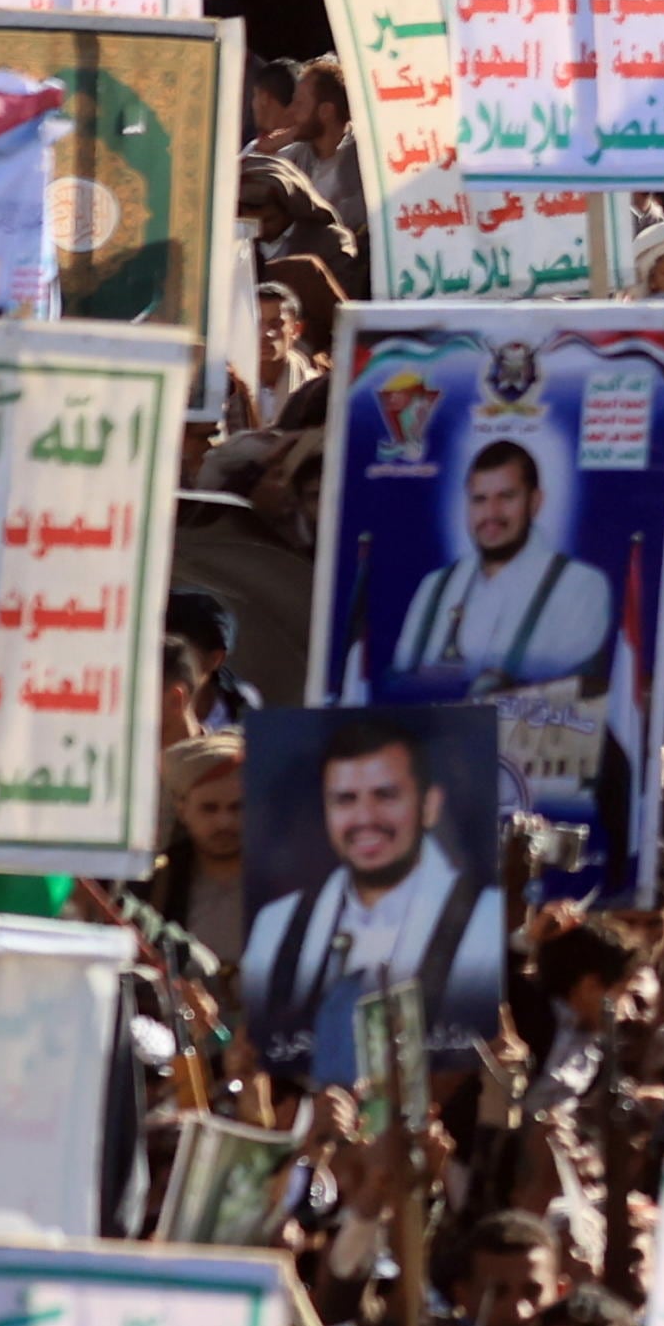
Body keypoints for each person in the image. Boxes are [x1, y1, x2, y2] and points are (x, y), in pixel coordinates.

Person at [237, 713, 499, 1076]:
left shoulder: (483, 922)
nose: (365, 818)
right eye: (345, 800)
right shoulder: (277, 925)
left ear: (430, 806)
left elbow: (467, 1059)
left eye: (386, 795)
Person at [382, 438, 617, 687]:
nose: (491, 513)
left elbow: (570, 697)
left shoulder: (580, 585)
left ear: (535, 502)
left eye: (506, 497)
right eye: (479, 499)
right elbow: (401, 683)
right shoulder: (434, 586)